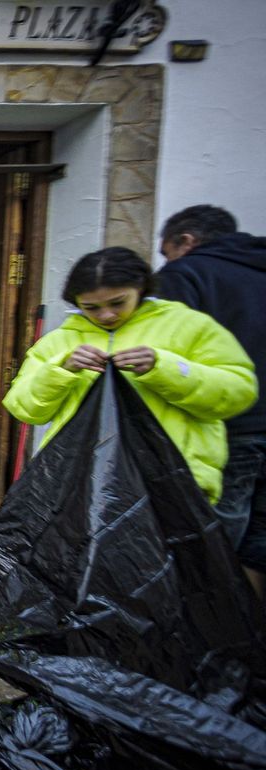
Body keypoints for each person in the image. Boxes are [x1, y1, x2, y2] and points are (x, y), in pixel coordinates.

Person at [4, 246, 256, 507]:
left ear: (141, 288)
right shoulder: (58, 342)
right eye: (91, 307)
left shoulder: (191, 326)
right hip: (80, 486)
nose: (106, 315)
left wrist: (164, 368)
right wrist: (61, 369)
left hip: (172, 485)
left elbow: (238, 391)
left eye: (117, 302)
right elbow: (23, 407)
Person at [158, 205, 266, 593]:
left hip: (226, 427)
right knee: (258, 543)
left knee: (212, 535)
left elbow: (167, 344)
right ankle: (247, 638)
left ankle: (207, 638)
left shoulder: (185, 274)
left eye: (165, 250)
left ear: (185, 241)